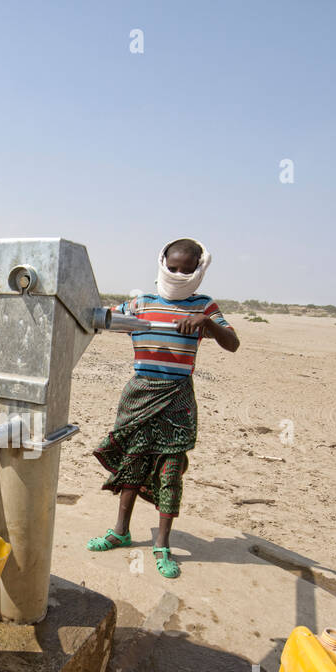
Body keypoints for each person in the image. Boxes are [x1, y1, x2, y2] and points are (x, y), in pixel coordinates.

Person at [86, 237, 239, 578]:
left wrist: (207, 324)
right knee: (132, 463)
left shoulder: (204, 306)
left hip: (178, 398)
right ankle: (120, 531)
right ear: (162, 263)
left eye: (188, 269)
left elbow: (233, 343)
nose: (179, 274)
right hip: (140, 395)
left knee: (170, 471)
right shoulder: (141, 303)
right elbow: (97, 320)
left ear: (200, 268)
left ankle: (162, 544)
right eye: (173, 267)